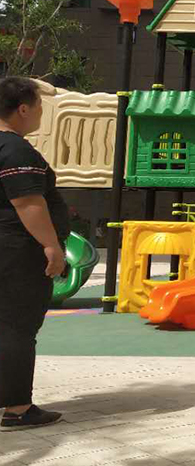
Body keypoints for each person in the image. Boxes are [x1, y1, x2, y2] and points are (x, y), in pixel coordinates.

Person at [0, 77, 68, 429]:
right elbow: (27, 202)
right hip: (16, 253)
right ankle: (18, 407)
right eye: (39, 107)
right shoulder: (15, 150)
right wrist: (51, 246)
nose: (42, 113)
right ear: (23, 109)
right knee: (17, 326)